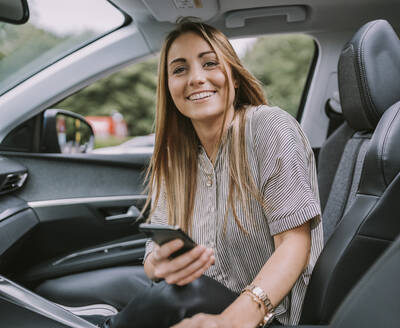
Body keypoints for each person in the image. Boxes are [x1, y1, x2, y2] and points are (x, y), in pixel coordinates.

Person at [104, 17, 323, 328]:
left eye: (209, 64)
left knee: (175, 297)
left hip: (269, 318)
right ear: (169, 87)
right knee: (171, 292)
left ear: (232, 77)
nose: (195, 78)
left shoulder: (269, 128)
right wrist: (162, 266)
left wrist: (234, 319)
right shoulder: (176, 158)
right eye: (179, 69)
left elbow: (294, 243)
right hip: (201, 302)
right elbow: (154, 256)